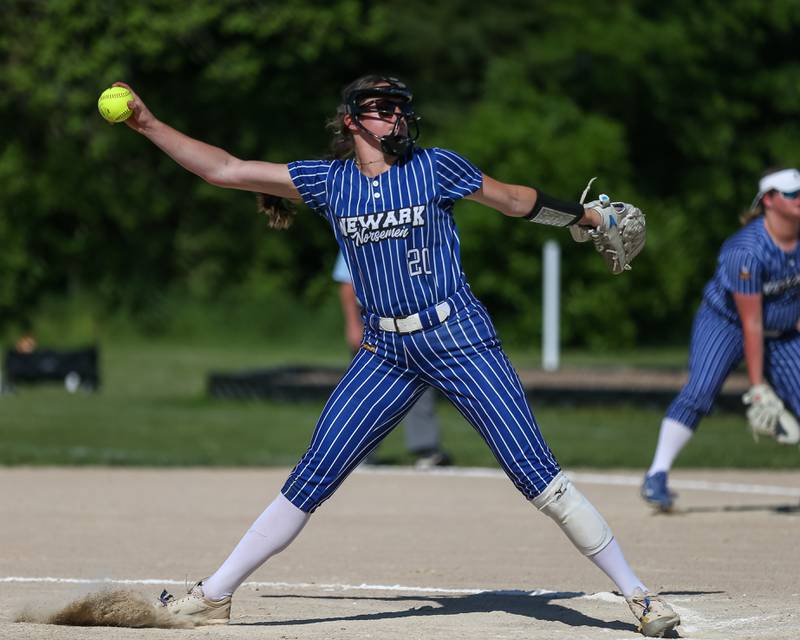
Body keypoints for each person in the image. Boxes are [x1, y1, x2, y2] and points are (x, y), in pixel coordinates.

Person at [115, 74, 679, 637]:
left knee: (534, 472)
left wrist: (592, 218)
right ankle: (214, 595)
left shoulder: (435, 167)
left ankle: (637, 595)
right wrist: (147, 123)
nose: (396, 118)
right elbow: (226, 170)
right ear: (352, 120)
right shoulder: (330, 182)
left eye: (400, 109)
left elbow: (512, 201)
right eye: (382, 109)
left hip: (459, 336)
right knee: (313, 473)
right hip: (385, 350)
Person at [642, 168, 800, 512]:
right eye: (792, 193)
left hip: (784, 331)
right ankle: (657, 474)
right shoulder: (746, 251)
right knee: (700, 390)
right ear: (769, 201)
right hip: (725, 323)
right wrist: (758, 388)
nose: (799, 198)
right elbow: (751, 322)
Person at [333, 250, 451, 467]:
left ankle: (425, 448)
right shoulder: (358, 224)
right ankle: (360, 452)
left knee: (422, 381)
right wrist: (352, 323)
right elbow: (347, 283)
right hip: (373, 319)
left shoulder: (408, 223)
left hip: (414, 314)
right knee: (366, 388)